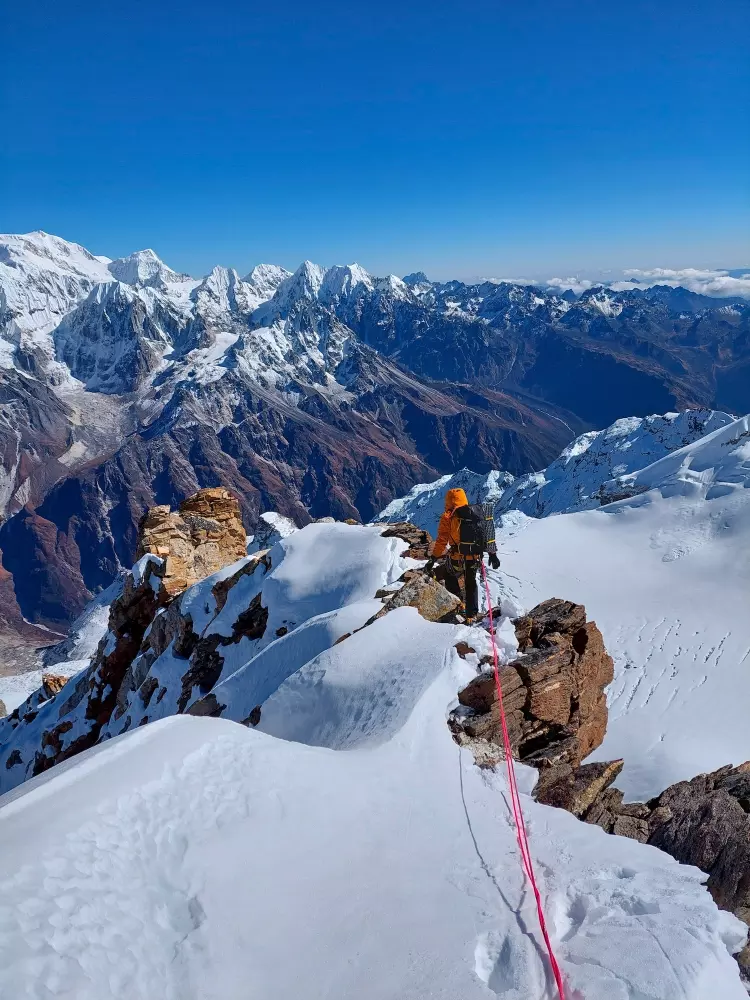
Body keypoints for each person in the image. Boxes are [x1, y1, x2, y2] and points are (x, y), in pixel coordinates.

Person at [429, 487, 500, 622]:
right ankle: (471, 615)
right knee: (471, 583)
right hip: (475, 557)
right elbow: (488, 533)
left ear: (449, 501)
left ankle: (459, 604)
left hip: (457, 558)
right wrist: (492, 554)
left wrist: (433, 558)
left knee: (449, 574)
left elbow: (442, 540)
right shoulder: (478, 512)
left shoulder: (448, 517)